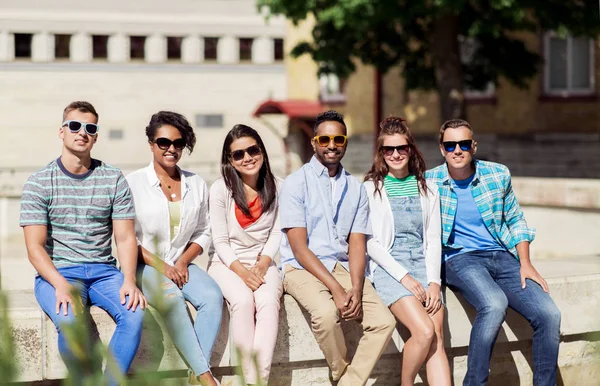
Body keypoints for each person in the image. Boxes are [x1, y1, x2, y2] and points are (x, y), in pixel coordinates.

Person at [426, 119, 561, 386]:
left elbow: (515, 220)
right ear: (442, 149)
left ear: (473, 146)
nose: (457, 150)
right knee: (494, 303)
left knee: (549, 314)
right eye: (450, 145)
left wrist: (525, 262)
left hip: (501, 255)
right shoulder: (429, 181)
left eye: (464, 144)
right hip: (458, 258)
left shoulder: (497, 174)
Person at [20, 101, 146, 384]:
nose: (82, 132)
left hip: (104, 271)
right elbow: (34, 247)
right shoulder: (39, 182)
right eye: (75, 126)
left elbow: (125, 237)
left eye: (90, 128)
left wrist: (128, 279)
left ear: (96, 136)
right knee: (71, 324)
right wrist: (60, 284)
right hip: (60, 273)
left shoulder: (113, 178)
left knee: (135, 314)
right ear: (62, 131)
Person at [278, 110, 396, 386]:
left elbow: (357, 243)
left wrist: (355, 287)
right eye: (325, 139)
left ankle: (348, 383)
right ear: (314, 142)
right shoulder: (296, 183)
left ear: (345, 142)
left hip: (342, 266)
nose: (332, 144)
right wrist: (336, 289)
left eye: (338, 139)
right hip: (300, 267)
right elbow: (299, 248)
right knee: (326, 315)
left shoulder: (355, 188)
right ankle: (341, 372)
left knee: (383, 322)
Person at [126, 111, 223, 386]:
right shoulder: (133, 183)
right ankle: (206, 377)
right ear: (151, 143)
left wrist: (182, 262)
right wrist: (164, 267)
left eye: (178, 143)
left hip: (181, 263)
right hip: (145, 265)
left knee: (213, 297)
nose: (171, 149)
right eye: (163, 143)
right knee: (172, 299)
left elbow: (204, 231)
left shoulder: (196, 183)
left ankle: (194, 376)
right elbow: (128, 238)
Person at [363, 117, 451, 386]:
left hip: (423, 265)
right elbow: (370, 244)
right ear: (381, 153)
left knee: (436, 335)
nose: (396, 154)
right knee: (424, 331)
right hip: (390, 268)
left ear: (411, 150)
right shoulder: (370, 189)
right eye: (389, 149)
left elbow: (433, 239)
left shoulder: (428, 189)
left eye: (401, 148)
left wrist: (434, 283)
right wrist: (405, 278)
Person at [207, 124, 283, 385]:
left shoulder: (279, 187)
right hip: (226, 263)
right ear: (230, 160)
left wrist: (262, 266)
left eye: (253, 150)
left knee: (268, 302)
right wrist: (243, 273)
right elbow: (220, 241)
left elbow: (276, 234)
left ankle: (256, 380)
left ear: (262, 151)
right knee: (241, 301)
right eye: (238, 154)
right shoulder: (220, 190)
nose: (247, 158)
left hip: (263, 261)